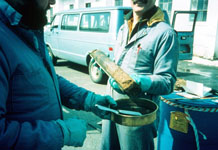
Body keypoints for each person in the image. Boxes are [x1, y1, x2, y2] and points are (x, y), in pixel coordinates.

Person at [0, 0, 117, 150]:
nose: (53, 2)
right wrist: (61, 133)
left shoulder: (27, 26)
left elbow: (46, 78)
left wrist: (89, 100)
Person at [101, 0, 179, 150]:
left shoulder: (165, 33)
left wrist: (141, 82)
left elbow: (167, 82)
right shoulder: (124, 27)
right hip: (112, 107)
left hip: (137, 115)